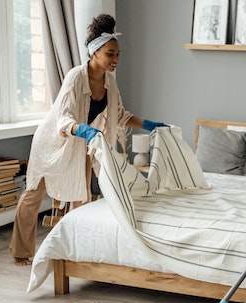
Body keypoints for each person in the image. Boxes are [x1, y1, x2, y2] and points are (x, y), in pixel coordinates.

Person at [10, 14, 166, 266]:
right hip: (53, 144)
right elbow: (63, 118)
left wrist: (149, 125)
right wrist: (85, 131)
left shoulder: (109, 82)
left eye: (118, 55)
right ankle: (21, 251)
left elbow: (119, 115)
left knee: (82, 196)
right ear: (94, 53)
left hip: (79, 144)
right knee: (33, 195)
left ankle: (78, 249)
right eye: (110, 54)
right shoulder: (75, 77)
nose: (116, 60)